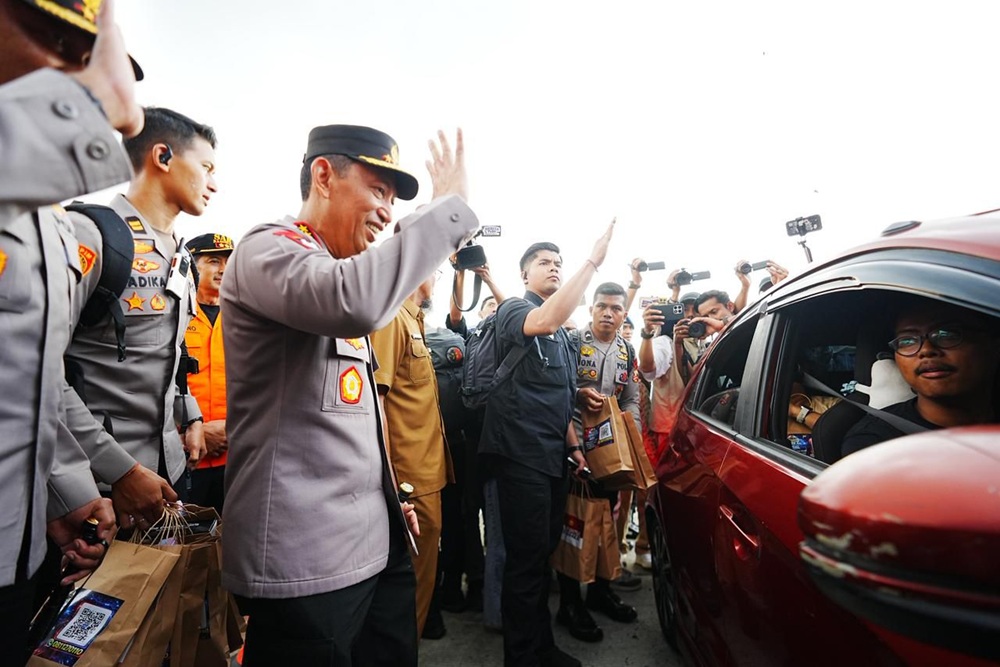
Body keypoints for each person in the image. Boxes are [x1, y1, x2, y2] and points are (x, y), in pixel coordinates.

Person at [221, 125, 477, 667]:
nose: (386, 211)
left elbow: (355, 415)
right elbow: (352, 299)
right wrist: (445, 212)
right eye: (378, 191)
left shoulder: (341, 273)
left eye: (393, 200)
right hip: (304, 569)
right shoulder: (270, 248)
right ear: (323, 176)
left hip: (374, 549)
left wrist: (389, 503)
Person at [0, 0, 139, 658]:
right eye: (54, 39)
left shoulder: (39, 221)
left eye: (86, 57)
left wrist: (56, 495)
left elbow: (30, 377)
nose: (75, 79)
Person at [64, 106, 216, 528]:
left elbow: (172, 349)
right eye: (206, 167)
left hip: (169, 471)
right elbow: (33, 370)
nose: (214, 184)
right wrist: (119, 469)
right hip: (94, 487)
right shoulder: (90, 235)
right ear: (163, 157)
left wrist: (191, 414)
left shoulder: (182, 258)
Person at [479, 227, 615, 667]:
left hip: (552, 457)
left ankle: (541, 647)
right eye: (544, 262)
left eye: (559, 262)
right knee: (524, 562)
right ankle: (522, 657)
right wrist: (591, 262)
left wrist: (574, 447)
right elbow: (546, 320)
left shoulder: (562, 338)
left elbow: (558, 393)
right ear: (523, 275)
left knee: (540, 557)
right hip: (519, 455)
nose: (555, 267)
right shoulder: (516, 309)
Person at [556, 282, 640, 644]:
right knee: (574, 527)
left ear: (624, 313)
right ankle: (570, 602)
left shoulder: (627, 349)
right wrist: (577, 393)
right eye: (602, 306)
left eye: (616, 308)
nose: (609, 313)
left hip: (611, 454)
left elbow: (633, 398)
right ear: (591, 309)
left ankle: (603, 592)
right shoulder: (572, 343)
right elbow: (556, 389)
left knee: (607, 524)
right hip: (573, 448)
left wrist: (629, 429)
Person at [370, 267, 451, 639]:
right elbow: (378, 403)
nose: (438, 278)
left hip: (427, 472)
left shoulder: (413, 319)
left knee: (420, 580)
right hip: (408, 479)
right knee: (410, 588)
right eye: (435, 270)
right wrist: (390, 482)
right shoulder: (391, 319)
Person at [841, 299, 999, 457]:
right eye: (907, 341)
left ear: (993, 345)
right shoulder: (874, 446)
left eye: (947, 334)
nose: (926, 350)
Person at [184, 233, 235, 512]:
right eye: (213, 261)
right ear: (193, 266)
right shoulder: (174, 315)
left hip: (236, 458)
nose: (223, 269)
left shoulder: (244, 319)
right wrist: (194, 431)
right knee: (178, 547)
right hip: (185, 459)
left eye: (228, 261)